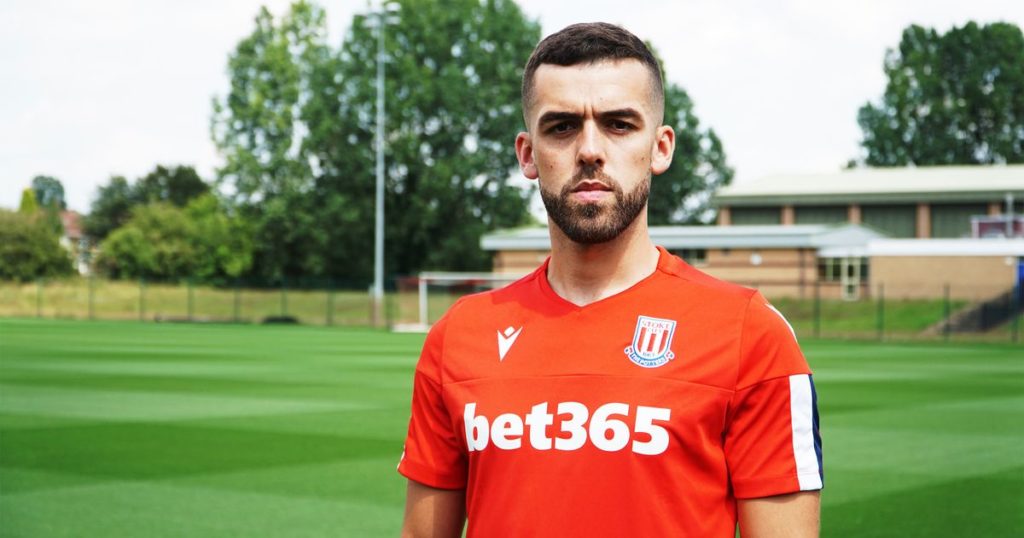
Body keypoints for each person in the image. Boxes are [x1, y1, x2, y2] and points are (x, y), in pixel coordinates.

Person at [398, 22, 822, 537]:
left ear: (661, 147)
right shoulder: (458, 337)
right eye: (562, 127)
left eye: (619, 124)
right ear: (527, 154)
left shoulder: (751, 334)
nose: (590, 150)